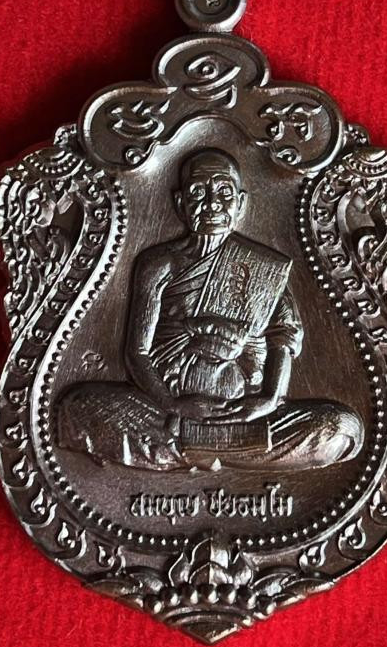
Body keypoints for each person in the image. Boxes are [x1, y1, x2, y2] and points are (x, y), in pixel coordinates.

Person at [58, 149, 363, 471]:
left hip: (244, 411)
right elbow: (138, 352)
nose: (212, 203)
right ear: (180, 203)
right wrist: (174, 404)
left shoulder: (263, 267)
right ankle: (221, 451)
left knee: (340, 426)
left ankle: (184, 452)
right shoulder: (158, 264)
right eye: (197, 192)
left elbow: (284, 336)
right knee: (78, 408)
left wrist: (269, 400)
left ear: (240, 204)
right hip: (167, 409)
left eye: (224, 193)